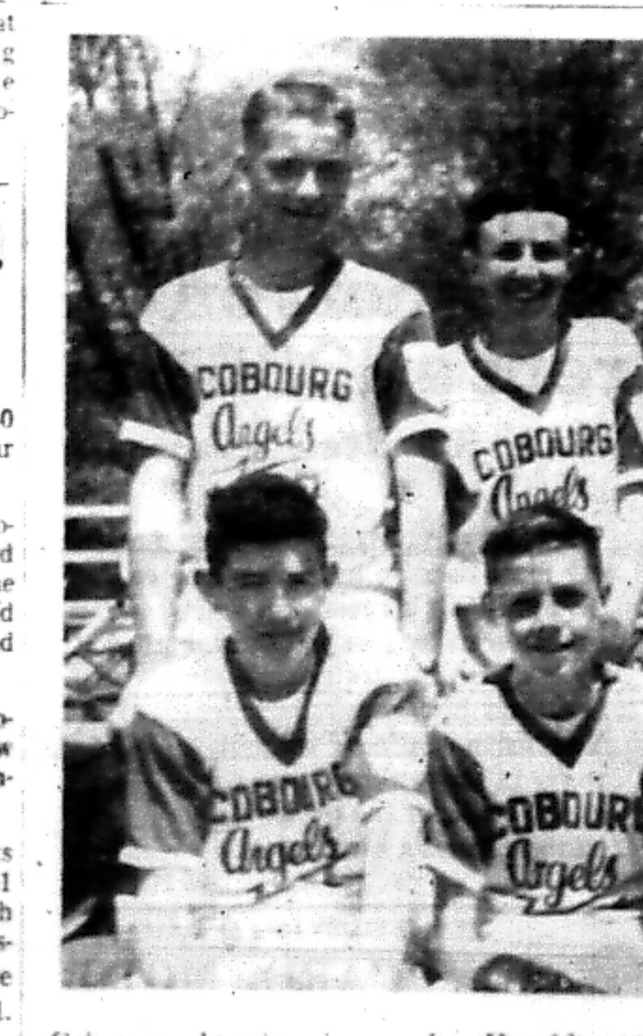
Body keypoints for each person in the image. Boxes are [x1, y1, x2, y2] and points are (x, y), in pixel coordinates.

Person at [120, 76, 442, 676]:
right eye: (285, 167)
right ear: (246, 169)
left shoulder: (396, 309)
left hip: (349, 601)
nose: (308, 189)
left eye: (330, 170)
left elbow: (421, 486)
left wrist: (420, 645)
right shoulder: (177, 310)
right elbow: (157, 486)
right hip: (217, 604)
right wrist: (152, 653)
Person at [119, 473, 433, 990]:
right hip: (229, 935)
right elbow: (169, 884)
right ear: (209, 590)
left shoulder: (378, 682)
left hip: (353, 924)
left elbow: (393, 845)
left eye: (298, 582)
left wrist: (369, 978)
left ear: (328, 579)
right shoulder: (172, 706)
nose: (278, 609)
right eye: (251, 583)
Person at [424, 506, 643, 995]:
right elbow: (453, 934)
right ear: (491, 610)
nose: (548, 621)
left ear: (605, 598)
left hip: (628, 942)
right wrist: (521, 987)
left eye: (570, 598)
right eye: (524, 604)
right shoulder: (461, 725)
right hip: (513, 949)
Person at [399, 185, 643, 684]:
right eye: (506, 253)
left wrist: (618, 621)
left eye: (545, 253)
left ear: (572, 262)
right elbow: (427, 527)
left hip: (588, 625)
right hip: (486, 636)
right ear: (473, 264)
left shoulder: (608, 349)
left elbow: (635, 499)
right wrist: (439, 650)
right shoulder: (436, 374)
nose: (527, 270)